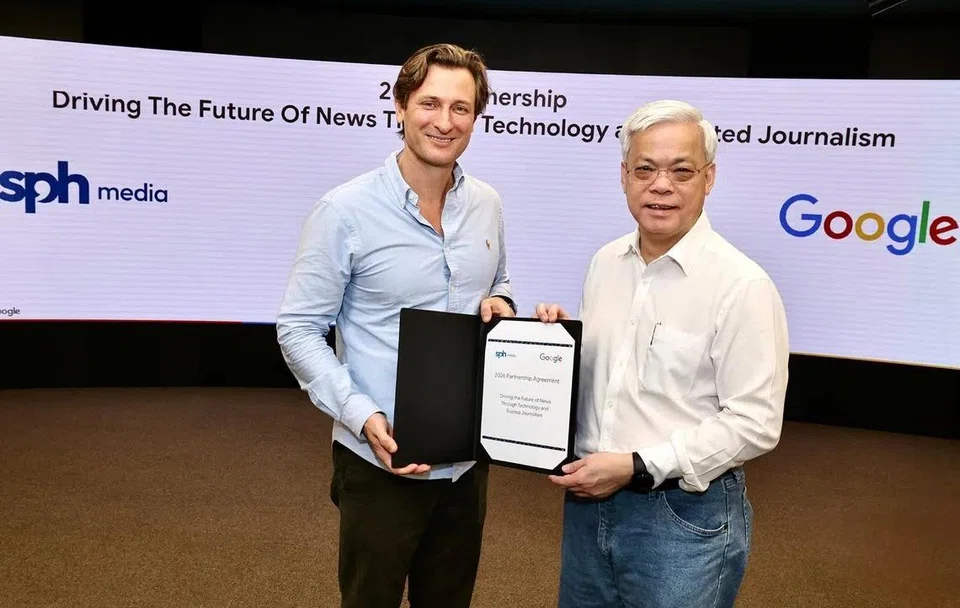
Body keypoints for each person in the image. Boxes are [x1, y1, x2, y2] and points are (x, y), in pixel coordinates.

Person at [277, 43, 516, 608]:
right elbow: (299, 329)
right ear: (401, 105)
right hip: (379, 459)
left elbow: (499, 285)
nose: (445, 121)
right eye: (430, 103)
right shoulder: (345, 210)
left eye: (462, 108)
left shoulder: (488, 205)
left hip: (465, 463)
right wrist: (361, 416)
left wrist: (500, 307)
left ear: (476, 118)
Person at [535, 100, 789, 608]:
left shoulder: (742, 286)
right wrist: (554, 348)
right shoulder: (605, 263)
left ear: (709, 178)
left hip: (682, 518)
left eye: (682, 170)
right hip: (588, 506)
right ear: (624, 175)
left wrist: (637, 465)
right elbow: (612, 380)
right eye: (645, 168)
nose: (661, 185)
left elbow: (756, 422)